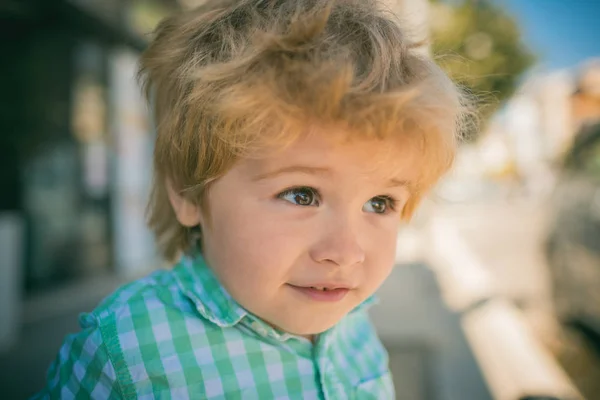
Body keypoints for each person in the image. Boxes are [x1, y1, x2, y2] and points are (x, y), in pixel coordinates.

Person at [37, 0, 465, 398]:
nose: (346, 253)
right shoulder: (126, 352)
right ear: (189, 193)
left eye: (380, 203)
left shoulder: (350, 321)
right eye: (302, 195)